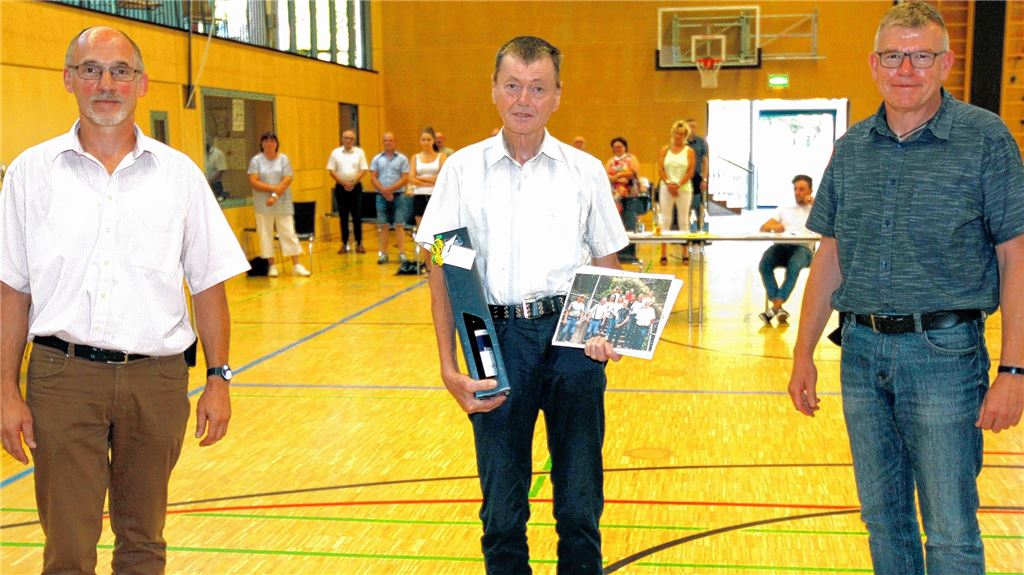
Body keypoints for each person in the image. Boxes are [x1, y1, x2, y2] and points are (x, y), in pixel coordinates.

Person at [0, 26, 249, 574]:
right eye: (90, 69)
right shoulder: (28, 175)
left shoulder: (180, 177)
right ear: (69, 80)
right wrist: (5, 391)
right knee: (67, 548)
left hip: (156, 381)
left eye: (120, 71)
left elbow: (208, 283)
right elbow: (11, 290)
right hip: (61, 378)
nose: (105, 83)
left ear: (143, 84)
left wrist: (219, 378)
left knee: (143, 543)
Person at [787, 3, 1024, 574]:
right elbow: (832, 253)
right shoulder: (852, 146)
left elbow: (1016, 257)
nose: (906, 69)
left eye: (922, 56)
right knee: (883, 518)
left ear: (945, 63)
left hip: (945, 357)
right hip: (861, 354)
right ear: (874, 63)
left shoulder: (985, 138)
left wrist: (1014, 372)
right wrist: (802, 353)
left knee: (949, 527)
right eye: (894, 55)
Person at [414, 36, 628, 573]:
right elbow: (442, 268)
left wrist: (611, 332)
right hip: (494, 340)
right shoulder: (461, 172)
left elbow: (607, 263)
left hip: (573, 340)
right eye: (512, 86)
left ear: (557, 95)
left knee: (580, 503)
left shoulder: (586, 172)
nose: (523, 99)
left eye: (537, 87)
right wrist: (448, 365)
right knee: (502, 510)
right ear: (494, 91)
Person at [247, 132, 311, 277]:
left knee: (288, 232)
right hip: (263, 204)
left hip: (282, 202)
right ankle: (272, 265)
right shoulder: (256, 160)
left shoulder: (283, 159)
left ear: (276, 143)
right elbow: (254, 181)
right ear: (262, 144)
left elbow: (287, 179)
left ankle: (297, 264)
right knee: (265, 234)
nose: (269, 144)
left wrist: (275, 195)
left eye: (272, 141)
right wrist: (272, 189)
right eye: (266, 141)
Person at [757, 174, 815, 326]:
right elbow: (764, 227)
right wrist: (774, 226)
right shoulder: (784, 208)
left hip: (803, 248)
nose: (798, 192)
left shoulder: (816, 209)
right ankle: (779, 307)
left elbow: (832, 220)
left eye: (802, 189)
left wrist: (815, 203)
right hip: (782, 246)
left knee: (794, 266)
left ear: (810, 190)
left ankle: (775, 307)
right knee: (765, 263)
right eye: (796, 189)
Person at [657, 120, 696, 265]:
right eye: (676, 133)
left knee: (683, 220)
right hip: (666, 188)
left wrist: (678, 184)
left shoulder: (689, 151)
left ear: (685, 135)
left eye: (682, 134)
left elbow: (691, 171)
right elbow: (660, 169)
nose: (678, 136)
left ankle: (685, 254)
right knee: (665, 220)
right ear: (672, 133)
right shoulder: (664, 150)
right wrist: (668, 183)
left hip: (684, 188)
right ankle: (663, 254)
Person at [369, 132, 411, 264]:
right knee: (383, 226)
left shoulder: (402, 159)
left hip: (398, 196)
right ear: (383, 142)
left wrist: (390, 190)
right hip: (381, 197)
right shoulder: (377, 159)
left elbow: (405, 178)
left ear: (395, 142)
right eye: (386, 140)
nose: (388, 142)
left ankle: (402, 254)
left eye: (390, 140)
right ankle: (384, 254)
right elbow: (373, 177)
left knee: (399, 225)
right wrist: (384, 191)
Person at [327, 129, 369, 254]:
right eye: (346, 138)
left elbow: (364, 170)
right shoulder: (335, 153)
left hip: (356, 187)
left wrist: (353, 182)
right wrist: (343, 183)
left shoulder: (359, 152)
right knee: (343, 216)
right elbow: (331, 170)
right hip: (340, 187)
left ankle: (359, 243)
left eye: (350, 138)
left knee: (357, 215)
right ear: (342, 139)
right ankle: (344, 244)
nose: (348, 140)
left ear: (353, 140)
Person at [605, 137, 641, 262]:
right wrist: (617, 178)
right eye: (615, 147)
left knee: (630, 223)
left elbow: (633, 173)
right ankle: (618, 255)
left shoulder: (631, 159)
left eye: (620, 146)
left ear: (625, 147)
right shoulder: (610, 161)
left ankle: (630, 254)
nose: (617, 149)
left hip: (629, 196)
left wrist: (619, 175)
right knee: (616, 223)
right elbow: (606, 175)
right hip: (614, 197)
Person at [409, 127, 446, 229]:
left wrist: (420, 178)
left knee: (437, 228)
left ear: (433, 140)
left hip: (435, 196)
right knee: (421, 229)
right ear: (420, 141)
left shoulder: (441, 156)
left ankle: (437, 246)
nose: (426, 142)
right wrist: (431, 181)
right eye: (423, 139)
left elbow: (441, 178)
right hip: (419, 196)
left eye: (428, 139)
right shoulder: (415, 157)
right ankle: (422, 246)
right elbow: (411, 179)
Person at [686, 117, 709, 228]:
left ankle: (700, 230)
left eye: (694, 127)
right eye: (690, 126)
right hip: (683, 178)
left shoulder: (701, 142)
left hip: (696, 177)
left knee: (698, 206)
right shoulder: (681, 143)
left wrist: (704, 179)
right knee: (685, 206)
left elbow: (705, 161)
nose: (692, 129)